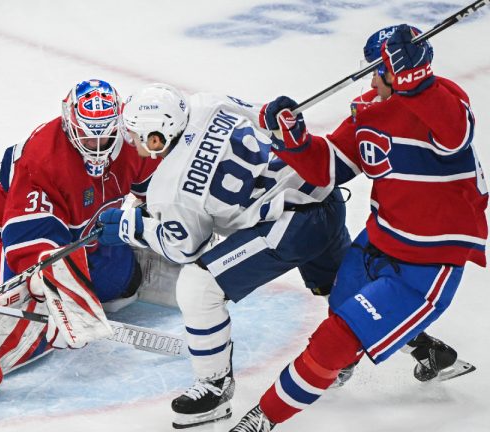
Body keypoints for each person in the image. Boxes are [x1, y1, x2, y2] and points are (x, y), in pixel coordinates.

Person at [230, 24, 486, 431]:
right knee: (342, 312)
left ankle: (263, 418)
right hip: (379, 240)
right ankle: (427, 354)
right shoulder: (369, 108)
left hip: (429, 260)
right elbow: (326, 169)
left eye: (376, 70)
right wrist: (294, 140)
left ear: (399, 70)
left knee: (336, 339)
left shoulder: (445, 100)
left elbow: (456, 135)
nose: (370, 80)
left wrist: (417, 82)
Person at [98, 83, 351, 429]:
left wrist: (135, 228)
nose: (133, 143)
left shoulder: (168, 191)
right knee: (350, 286)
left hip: (293, 227)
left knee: (198, 287)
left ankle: (215, 386)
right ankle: (420, 345)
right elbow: (268, 117)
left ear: (157, 138)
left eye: (137, 136)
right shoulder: (207, 103)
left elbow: (186, 247)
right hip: (322, 191)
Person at [0, 78, 163, 395]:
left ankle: (83, 286)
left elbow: (155, 189)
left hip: (79, 235)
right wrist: (51, 285)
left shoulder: (129, 139)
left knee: (120, 282)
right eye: (87, 137)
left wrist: (160, 226)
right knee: (27, 297)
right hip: (3, 235)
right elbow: (24, 239)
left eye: (105, 136)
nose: (97, 147)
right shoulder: (43, 159)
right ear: (70, 125)